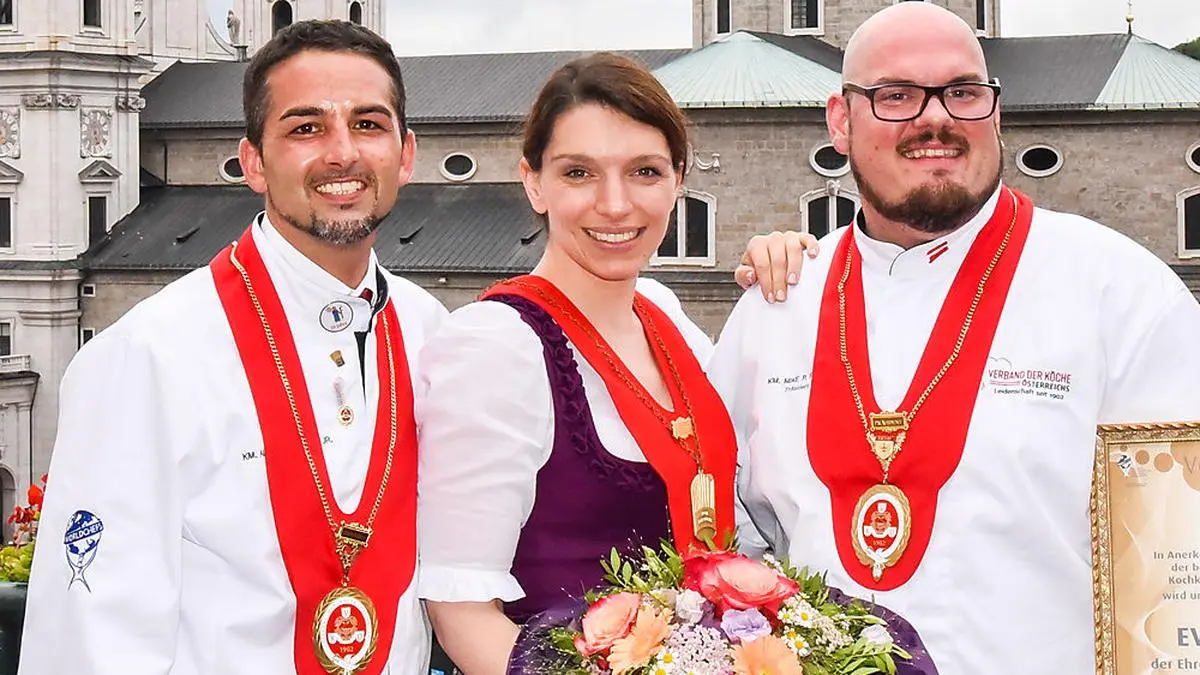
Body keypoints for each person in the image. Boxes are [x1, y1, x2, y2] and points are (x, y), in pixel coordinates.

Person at [708, 4, 1200, 675]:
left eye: (963, 92)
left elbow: (1176, 568)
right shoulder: (776, 307)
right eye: (896, 96)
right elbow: (725, 547)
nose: (935, 118)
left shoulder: (1120, 291)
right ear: (840, 122)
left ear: (996, 113)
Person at [414, 53, 929, 675]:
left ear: (678, 180)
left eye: (645, 172)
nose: (615, 204)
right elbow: (461, 609)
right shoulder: (496, 346)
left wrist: (799, 268)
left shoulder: (666, 316)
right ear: (533, 182)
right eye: (578, 172)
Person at [18, 20, 446, 675]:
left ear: (406, 153)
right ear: (252, 162)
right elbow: (90, 637)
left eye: (368, 124)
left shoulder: (430, 334)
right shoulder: (147, 356)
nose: (342, 153)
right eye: (306, 128)